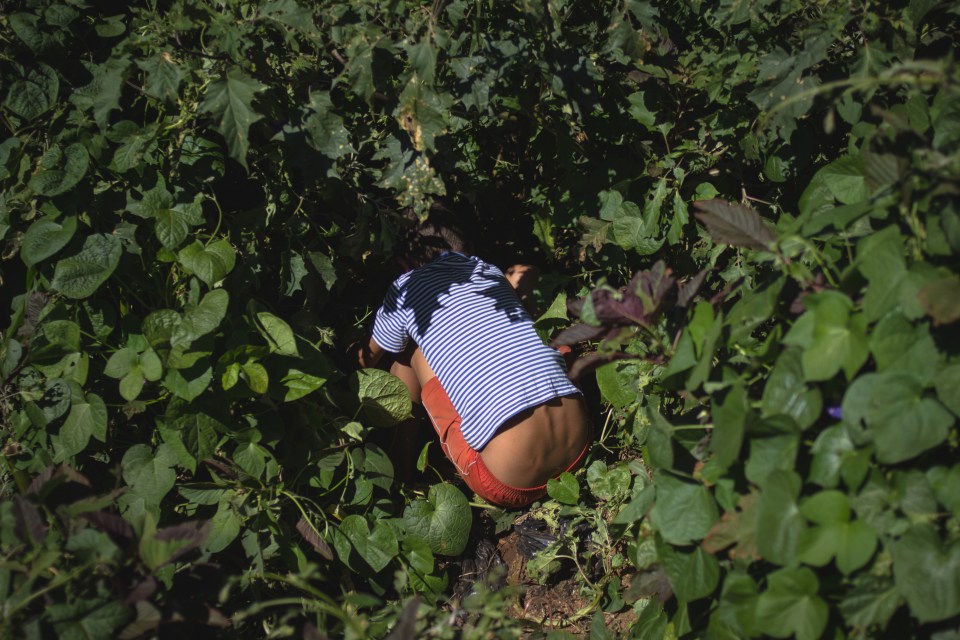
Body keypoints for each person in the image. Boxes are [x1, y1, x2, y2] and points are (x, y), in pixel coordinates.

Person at [357, 212, 591, 509]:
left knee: (407, 352)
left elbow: (366, 358)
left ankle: (401, 468)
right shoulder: (486, 270)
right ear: (464, 250)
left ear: (405, 261)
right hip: (579, 448)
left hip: (507, 482)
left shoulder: (404, 286)